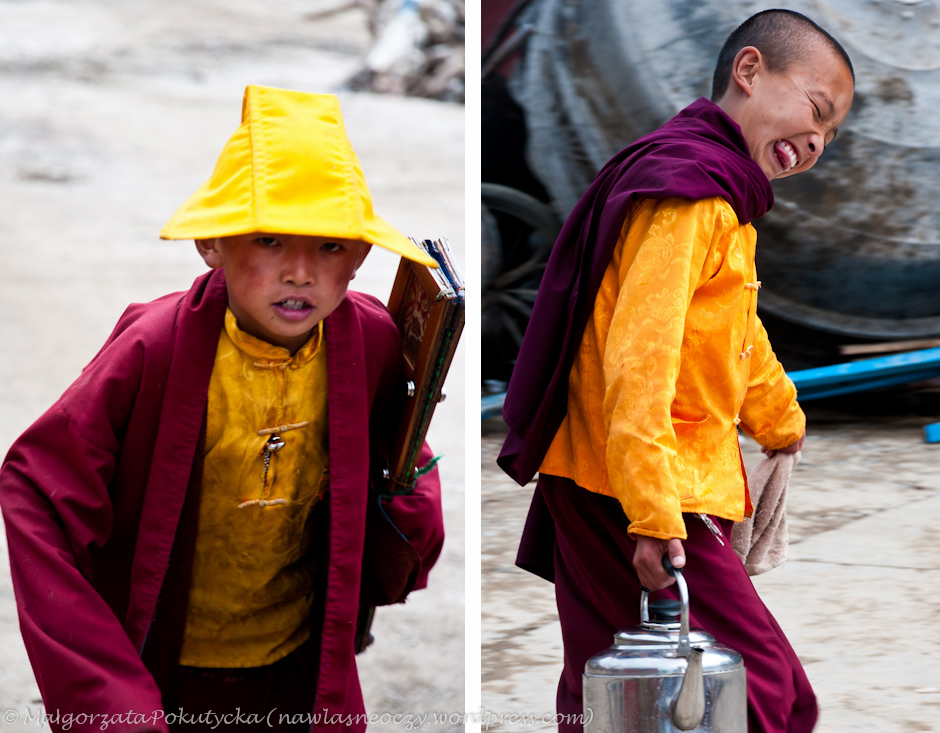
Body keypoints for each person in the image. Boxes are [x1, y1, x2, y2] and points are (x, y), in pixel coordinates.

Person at [0, 85, 445, 733]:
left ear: (362, 256)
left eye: (329, 246)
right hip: (162, 663)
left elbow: (396, 454)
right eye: (268, 240)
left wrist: (407, 497)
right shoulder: (155, 346)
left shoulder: (370, 339)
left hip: (297, 662)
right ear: (212, 244)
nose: (300, 271)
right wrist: (106, 694)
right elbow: (37, 486)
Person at [498, 9, 854, 732]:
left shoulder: (717, 192)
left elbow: (730, 330)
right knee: (768, 695)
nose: (817, 140)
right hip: (638, 484)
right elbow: (640, 357)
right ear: (749, 71)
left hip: (609, 474)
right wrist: (654, 513)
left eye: (830, 133)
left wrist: (780, 416)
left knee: (604, 687)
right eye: (815, 110)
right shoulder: (689, 194)